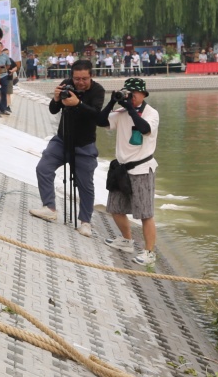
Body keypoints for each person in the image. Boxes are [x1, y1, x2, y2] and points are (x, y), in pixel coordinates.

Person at [29, 60, 107, 237]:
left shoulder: (98, 90)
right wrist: (56, 98)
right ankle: (49, 207)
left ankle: (85, 222)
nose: (80, 82)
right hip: (62, 140)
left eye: (84, 79)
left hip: (84, 144)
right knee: (43, 168)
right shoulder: (67, 84)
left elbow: (96, 116)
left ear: (91, 76)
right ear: (72, 76)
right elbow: (53, 110)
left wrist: (78, 103)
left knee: (85, 184)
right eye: (77, 78)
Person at [101, 77, 159, 265]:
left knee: (145, 213)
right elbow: (100, 121)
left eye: (134, 94)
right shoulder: (121, 112)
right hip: (121, 168)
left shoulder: (151, 113)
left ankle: (149, 252)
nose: (131, 97)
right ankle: (127, 240)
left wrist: (131, 110)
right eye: (128, 93)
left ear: (143, 94)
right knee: (115, 208)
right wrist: (112, 102)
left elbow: (144, 129)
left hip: (142, 169)